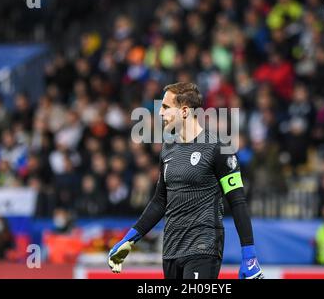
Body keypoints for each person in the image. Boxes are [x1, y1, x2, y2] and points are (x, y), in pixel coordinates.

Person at [108, 82, 263, 279]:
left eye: (165, 107)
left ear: (184, 111)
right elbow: (159, 201)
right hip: (171, 249)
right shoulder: (167, 148)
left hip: (203, 247)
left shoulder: (218, 148)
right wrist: (129, 239)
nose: (161, 113)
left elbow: (237, 201)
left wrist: (249, 254)